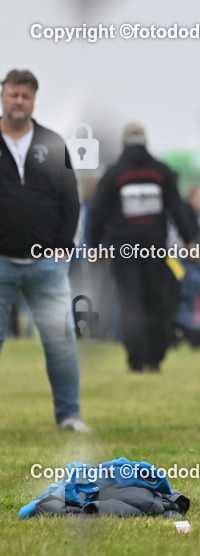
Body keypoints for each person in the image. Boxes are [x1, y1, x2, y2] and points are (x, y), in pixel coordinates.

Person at [0, 69, 89, 431]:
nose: (19, 101)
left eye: (26, 96)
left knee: (61, 343)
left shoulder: (53, 143)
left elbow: (71, 199)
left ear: (34, 100)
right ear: (2, 96)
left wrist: (63, 248)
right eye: (13, 94)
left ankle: (69, 415)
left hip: (46, 264)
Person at [90, 123, 198, 372]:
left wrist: (95, 245)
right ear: (146, 141)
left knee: (130, 302)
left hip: (123, 248)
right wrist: (189, 240)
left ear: (123, 142)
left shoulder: (113, 173)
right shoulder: (161, 171)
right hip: (155, 247)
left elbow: (98, 213)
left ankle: (136, 358)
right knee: (156, 301)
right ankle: (155, 357)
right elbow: (177, 208)